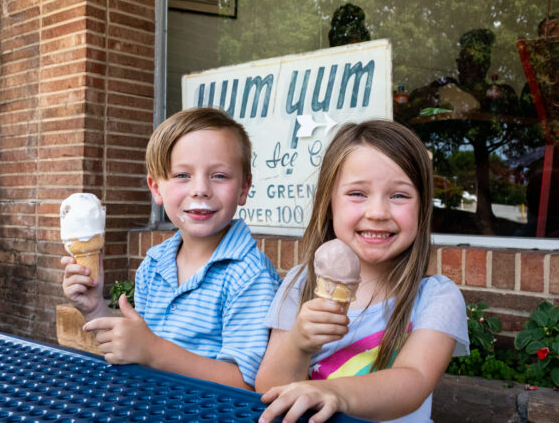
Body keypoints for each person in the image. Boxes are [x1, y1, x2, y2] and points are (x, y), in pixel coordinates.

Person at [255, 120, 469, 422]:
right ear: (329, 204)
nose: (378, 212)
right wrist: (297, 344)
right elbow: (268, 389)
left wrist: (337, 394)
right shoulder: (301, 283)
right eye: (357, 193)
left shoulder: (435, 296)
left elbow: (414, 379)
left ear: (422, 208)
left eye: (399, 195)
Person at [62, 107, 280, 390]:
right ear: (156, 189)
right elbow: (135, 348)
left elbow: (246, 385)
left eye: (220, 176)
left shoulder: (249, 275)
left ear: (243, 188)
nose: (200, 189)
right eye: (182, 175)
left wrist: (154, 351)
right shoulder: (154, 264)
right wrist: (94, 307)